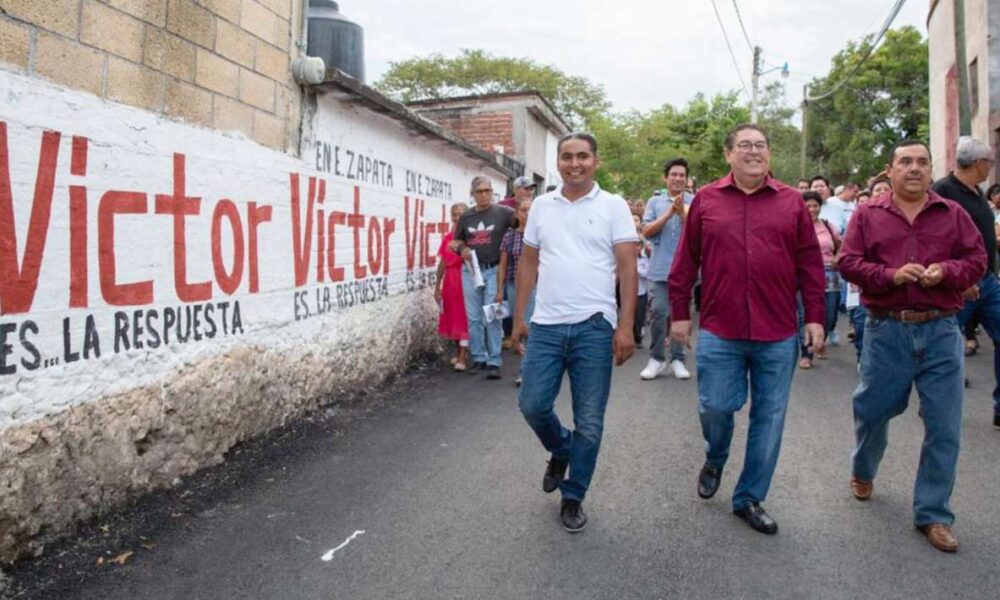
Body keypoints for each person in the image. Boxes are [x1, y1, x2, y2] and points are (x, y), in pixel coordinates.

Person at [668, 124, 826, 535]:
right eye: (745, 146)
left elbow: (811, 264)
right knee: (716, 408)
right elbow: (686, 261)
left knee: (769, 418)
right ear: (728, 154)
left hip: (777, 332)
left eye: (760, 146)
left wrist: (814, 317)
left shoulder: (792, 202)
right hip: (721, 328)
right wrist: (679, 313)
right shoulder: (706, 200)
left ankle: (749, 497)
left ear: (769, 154)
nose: (753, 152)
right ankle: (715, 456)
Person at [839, 139, 986, 553]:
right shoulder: (868, 214)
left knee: (944, 426)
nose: (915, 168)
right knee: (873, 411)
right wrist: (890, 276)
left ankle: (934, 513)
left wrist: (947, 271)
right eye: (906, 161)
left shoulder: (952, 213)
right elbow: (849, 262)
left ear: (931, 169)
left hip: (941, 331)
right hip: (886, 332)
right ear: (891, 170)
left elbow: (977, 260)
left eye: (922, 162)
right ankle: (863, 468)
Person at [513, 132, 638, 533]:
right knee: (532, 405)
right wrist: (519, 317)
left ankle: (573, 495)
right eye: (567, 157)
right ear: (558, 164)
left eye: (582, 156)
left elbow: (627, 268)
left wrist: (625, 326)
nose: (574, 163)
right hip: (547, 326)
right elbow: (528, 264)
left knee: (590, 421)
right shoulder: (541, 208)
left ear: (595, 161)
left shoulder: (613, 206)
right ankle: (561, 448)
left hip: (594, 328)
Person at [931, 136, 1000, 430]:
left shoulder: (978, 191)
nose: (991, 167)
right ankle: (933, 405)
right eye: (990, 162)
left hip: (988, 283)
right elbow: (933, 242)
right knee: (941, 349)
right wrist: (957, 278)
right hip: (956, 286)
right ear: (978, 163)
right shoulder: (942, 192)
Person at [451, 176, 514, 379]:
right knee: (474, 318)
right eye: (480, 192)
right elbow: (455, 241)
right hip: (470, 271)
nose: (484, 195)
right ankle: (479, 357)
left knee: (493, 315)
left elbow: (523, 220)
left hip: (494, 269)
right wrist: (462, 248)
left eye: (488, 191)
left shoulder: (503, 213)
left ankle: (494, 360)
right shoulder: (466, 217)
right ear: (473, 194)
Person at [639, 158, 693, 381]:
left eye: (682, 175)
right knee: (659, 312)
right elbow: (647, 231)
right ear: (666, 177)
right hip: (660, 269)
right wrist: (670, 212)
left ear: (686, 179)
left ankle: (678, 358)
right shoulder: (654, 201)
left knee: (681, 315)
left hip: (685, 271)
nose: (678, 178)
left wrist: (682, 212)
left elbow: (700, 231)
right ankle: (657, 358)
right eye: (674, 174)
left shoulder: (696, 200)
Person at [797, 191, 841, 369]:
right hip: (805, 277)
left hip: (829, 275)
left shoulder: (829, 227)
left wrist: (838, 257)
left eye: (815, 205)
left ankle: (821, 339)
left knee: (829, 315)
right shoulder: (797, 227)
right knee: (804, 316)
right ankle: (806, 353)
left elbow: (842, 246)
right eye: (808, 206)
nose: (812, 209)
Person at [496, 197, 534, 386]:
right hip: (513, 285)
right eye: (523, 210)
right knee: (518, 324)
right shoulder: (510, 236)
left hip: (535, 286)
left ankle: (525, 371)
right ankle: (526, 365)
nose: (527, 213)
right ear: (517, 213)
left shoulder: (539, 234)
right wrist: (499, 289)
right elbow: (503, 265)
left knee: (528, 324)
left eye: (530, 209)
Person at [435, 203, 471, 371]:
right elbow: (442, 263)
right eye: (454, 214)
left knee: (464, 318)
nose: (457, 217)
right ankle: (459, 351)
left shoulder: (470, 238)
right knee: (454, 318)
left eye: (461, 214)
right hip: (450, 282)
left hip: (465, 279)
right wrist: (437, 286)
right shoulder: (448, 238)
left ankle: (462, 356)